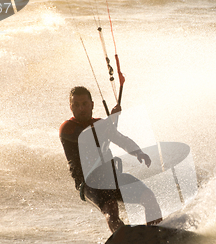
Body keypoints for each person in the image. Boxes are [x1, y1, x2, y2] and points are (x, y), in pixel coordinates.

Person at [59, 86, 162, 233]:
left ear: (92, 105)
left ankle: (156, 235)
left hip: (112, 177)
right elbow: (86, 137)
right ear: (71, 107)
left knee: (148, 197)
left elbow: (121, 139)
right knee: (111, 207)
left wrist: (138, 152)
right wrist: (109, 121)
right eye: (76, 105)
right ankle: (124, 241)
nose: (81, 108)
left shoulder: (102, 124)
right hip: (89, 182)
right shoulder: (67, 128)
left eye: (84, 104)